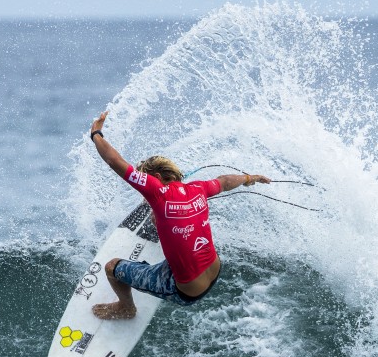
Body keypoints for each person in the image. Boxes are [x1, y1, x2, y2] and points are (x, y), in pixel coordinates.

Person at [88, 111, 271, 320]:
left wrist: (96, 133)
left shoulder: (156, 191)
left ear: (156, 177)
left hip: (186, 290)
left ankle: (126, 308)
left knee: (112, 268)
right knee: (160, 218)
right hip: (214, 268)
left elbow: (113, 160)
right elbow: (225, 181)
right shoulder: (199, 188)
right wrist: (250, 177)